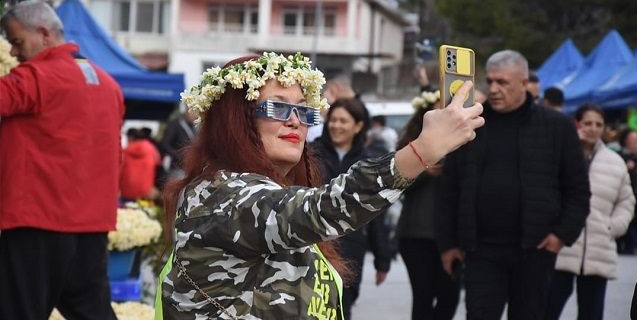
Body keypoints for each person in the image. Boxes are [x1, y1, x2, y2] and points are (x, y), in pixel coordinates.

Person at [156, 52, 484, 319]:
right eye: (277, 107)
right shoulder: (221, 195)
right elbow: (323, 208)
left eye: (303, 110)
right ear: (235, 120)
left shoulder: (271, 190)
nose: (295, 121)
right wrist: (421, 151)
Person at [437, 49, 590, 320]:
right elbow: (449, 189)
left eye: (502, 82)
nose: (494, 89)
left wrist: (561, 235)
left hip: (535, 250)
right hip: (480, 251)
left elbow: (577, 188)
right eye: (490, 81)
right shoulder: (472, 127)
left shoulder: (556, 127)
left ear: (523, 83)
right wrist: (448, 243)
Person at [0, 0, 124, 319]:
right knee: (92, 312)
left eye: (16, 42)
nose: (13, 53)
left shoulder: (35, 77)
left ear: (43, 34)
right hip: (91, 226)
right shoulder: (109, 85)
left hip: (36, 222)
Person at [545, 103, 635, 320]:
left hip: (598, 248)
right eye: (588, 123)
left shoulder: (615, 163)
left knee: (592, 314)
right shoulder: (560, 155)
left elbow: (626, 201)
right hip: (562, 246)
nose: (593, 128)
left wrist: (612, 227)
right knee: (546, 310)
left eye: (598, 124)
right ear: (577, 123)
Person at [312, 97, 392, 320]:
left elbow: (376, 213)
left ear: (358, 126)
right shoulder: (310, 154)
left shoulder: (368, 163)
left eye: (343, 121)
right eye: (333, 120)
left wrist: (382, 259)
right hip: (315, 241)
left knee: (342, 306)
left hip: (350, 247)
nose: (336, 125)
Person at [397, 88, 460, 320]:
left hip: (452, 235)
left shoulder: (462, 140)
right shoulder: (411, 144)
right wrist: (423, 169)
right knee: (423, 297)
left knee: (449, 297)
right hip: (417, 234)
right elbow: (397, 186)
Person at [120, 127, 162, 202]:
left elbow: (120, 168)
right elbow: (159, 167)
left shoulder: (125, 151)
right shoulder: (152, 149)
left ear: (131, 137)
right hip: (146, 190)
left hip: (126, 189)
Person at [617, 128, 637, 254]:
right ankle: (622, 245)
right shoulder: (619, 156)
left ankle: (631, 246)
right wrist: (625, 168)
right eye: (633, 140)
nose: (636, 143)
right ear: (625, 141)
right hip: (623, 196)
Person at [160, 107, 198, 180]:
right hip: (177, 166)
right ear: (187, 111)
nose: (195, 116)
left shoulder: (193, 127)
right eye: (194, 112)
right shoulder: (175, 124)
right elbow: (165, 144)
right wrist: (179, 156)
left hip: (190, 167)